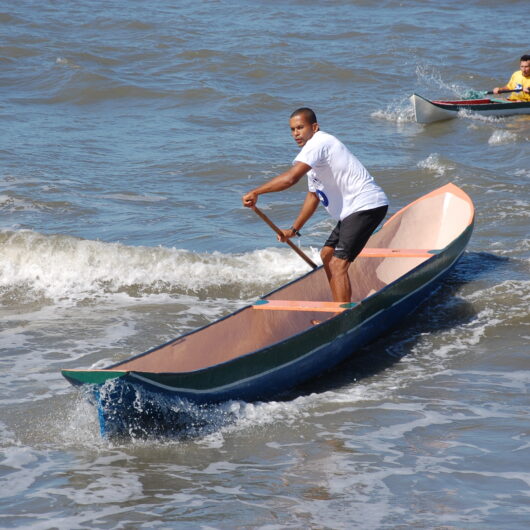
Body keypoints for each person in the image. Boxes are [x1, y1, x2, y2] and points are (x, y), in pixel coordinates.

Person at [242, 108, 388, 304]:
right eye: (292, 129)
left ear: (315, 127)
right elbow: (313, 196)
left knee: (337, 264)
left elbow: (291, 178)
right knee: (327, 255)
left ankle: (343, 315)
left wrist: (257, 192)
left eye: (300, 128)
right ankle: (343, 301)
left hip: (366, 205)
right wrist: (294, 230)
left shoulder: (319, 142)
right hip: (352, 211)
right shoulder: (313, 160)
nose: (296, 133)